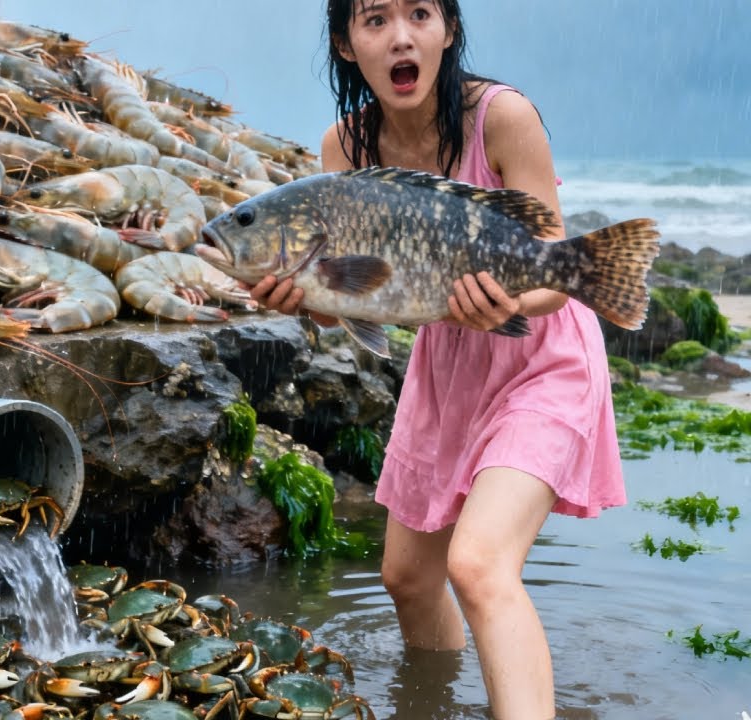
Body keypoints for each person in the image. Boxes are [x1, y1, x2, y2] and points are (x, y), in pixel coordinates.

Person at [249, 1, 625, 718]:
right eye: (375, 18)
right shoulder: (344, 148)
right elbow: (357, 301)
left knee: (480, 566)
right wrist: (301, 297)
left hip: (541, 356)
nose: (400, 35)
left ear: (448, 29)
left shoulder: (503, 119)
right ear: (344, 41)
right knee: (408, 579)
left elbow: (550, 269)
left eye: (420, 12)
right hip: (446, 363)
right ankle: (433, 704)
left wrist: (509, 304)